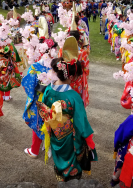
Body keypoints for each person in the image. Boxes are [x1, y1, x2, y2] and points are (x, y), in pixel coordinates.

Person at [39, 37, 97, 181]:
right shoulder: (73, 97)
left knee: (59, 155)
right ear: (72, 75)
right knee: (72, 158)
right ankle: (72, 178)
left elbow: (45, 110)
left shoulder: (48, 90)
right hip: (70, 136)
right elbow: (81, 123)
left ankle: (60, 174)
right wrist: (90, 141)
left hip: (54, 132)